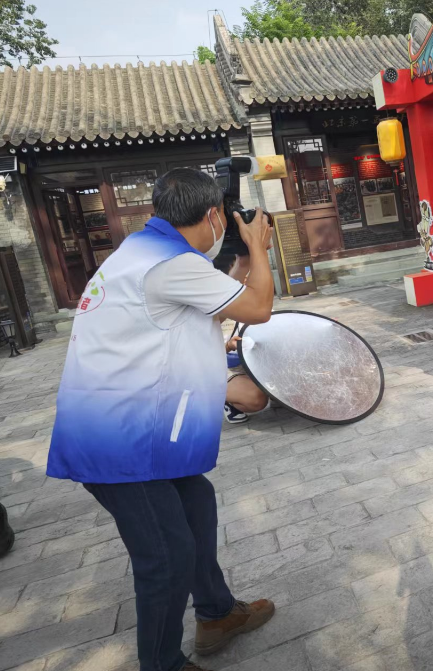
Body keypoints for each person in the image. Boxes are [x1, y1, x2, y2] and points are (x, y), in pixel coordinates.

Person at [46, 168, 277, 671]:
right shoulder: (169, 263)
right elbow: (257, 306)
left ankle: (215, 614)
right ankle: (162, 663)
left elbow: (207, 304)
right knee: (165, 559)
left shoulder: (144, 251)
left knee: (196, 502)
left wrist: (237, 259)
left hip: (127, 423)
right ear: (214, 214)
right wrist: (257, 246)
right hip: (119, 439)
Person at [219, 253, 269, 424]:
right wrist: (227, 346)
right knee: (256, 399)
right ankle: (226, 400)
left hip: (252, 362)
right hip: (222, 367)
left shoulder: (257, 305)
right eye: (242, 274)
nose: (247, 279)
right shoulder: (214, 306)